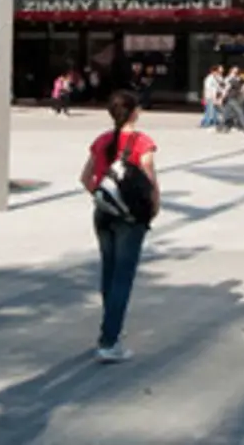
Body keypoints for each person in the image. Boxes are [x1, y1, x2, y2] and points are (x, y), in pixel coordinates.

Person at [79, 89, 159, 363]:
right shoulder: (142, 143)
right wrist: (152, 210)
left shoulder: (101, 141)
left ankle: (110, 327)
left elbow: (85, 177)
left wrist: (103, 199)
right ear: (134, 112)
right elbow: (150, 184)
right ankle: (109, 340)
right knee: (123, 278)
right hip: (130, 220)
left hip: (103, 215)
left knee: (109, 273)